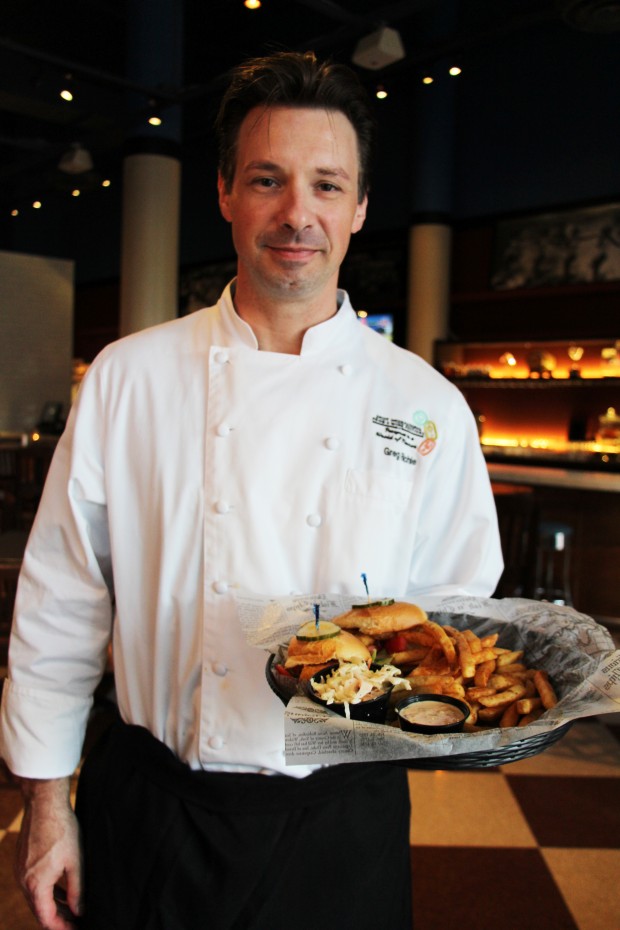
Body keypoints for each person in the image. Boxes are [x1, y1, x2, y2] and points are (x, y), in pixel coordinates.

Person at [0, 51, 503, 930]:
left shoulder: (426, 406)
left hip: (342, 814)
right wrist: (46, 806)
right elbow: (62, 600)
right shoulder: (131, 377)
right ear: (226, 193)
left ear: (360, 209)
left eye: (326, 184)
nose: (297, 213)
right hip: (152, 805)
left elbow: (458, 615)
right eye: (268, 179)